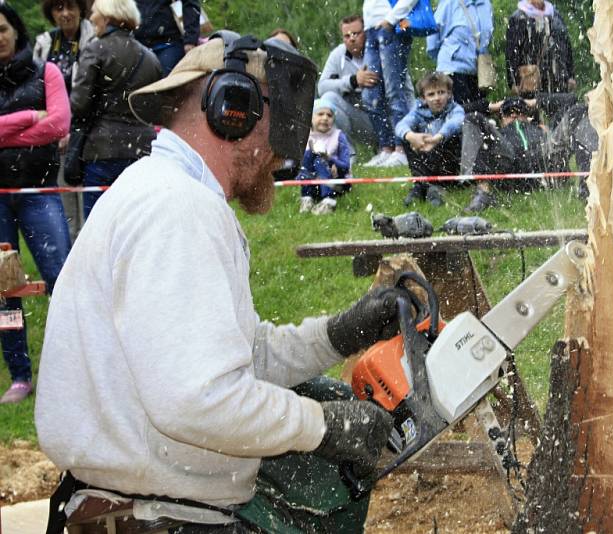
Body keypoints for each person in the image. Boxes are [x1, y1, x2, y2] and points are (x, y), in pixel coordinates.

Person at [36, 35, 401, 533]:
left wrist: (336, 335)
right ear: (234, 108)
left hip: (144, 504)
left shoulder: (163, 192)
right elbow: (201, 400)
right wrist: (321, 426)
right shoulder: (177, 208)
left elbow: (235, 363)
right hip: (154, 518)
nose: (280, 153)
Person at [0, 3, 72, 404]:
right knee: (2, 290)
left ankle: (69, 368)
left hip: (39, 191)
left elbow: (59, 124)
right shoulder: (35, 92)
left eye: (2, 28)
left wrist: (4, 134)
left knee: (60, 280)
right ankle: (20, 375)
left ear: (16, 30)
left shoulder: (48, 72)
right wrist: (29, 117)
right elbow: (44, 123)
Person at [70, 0, 162, 220]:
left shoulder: (95, 49)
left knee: (99, 227)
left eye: (94, 13)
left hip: (102, 151)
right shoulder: (151, 57)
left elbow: (79, 104)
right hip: (143, 151)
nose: (90, 18)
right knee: (137, 226)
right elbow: (157, 108)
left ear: (108, 16)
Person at [34, 0, 95, 241]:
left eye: (71, 7)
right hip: (56, 137)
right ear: (51, 13)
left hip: (88, 135)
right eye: (59, 9)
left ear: (81, 9)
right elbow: (38, 94)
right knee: (66, 207)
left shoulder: (94, 40)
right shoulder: (45, 44)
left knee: (91, 208)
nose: (66, 14)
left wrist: (76, 130)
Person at [319, 13, 411, 163]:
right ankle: (347, 156)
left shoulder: (384, 51)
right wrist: (353, 81)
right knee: (326, 100)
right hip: (363, 121)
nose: (352, 39)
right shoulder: (338, 54)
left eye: (356, 33)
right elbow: (322, 87)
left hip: (392, 120)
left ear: (366, 32)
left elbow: (404, 90)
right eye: (346, 36)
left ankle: (397, 149)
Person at [461, 96, 548, 212]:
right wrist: (491, 107)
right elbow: (462, 111)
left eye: (520, 111)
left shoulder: (539, 130)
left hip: (540, 168)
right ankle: (482, 191)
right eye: (507, 113)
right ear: (501, 119)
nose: (513, 115)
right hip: (509, 164)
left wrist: (535, 102)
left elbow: (571, 99)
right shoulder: (498, 135)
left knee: (576, 112)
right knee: (473, 118)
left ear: (528, 116)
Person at [362, 0, 419, 168]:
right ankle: (386, 148)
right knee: (371, 94)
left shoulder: (391, 21)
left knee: (395, 91)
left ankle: (403, 149)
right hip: (371, 30)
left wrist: (391, 19)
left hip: (391, 27)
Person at [396, 72, 464, 207]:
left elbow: (455, 123)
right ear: (423, 98)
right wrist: (411, 136)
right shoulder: (418, 111)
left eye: (441, 92)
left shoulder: (456, 109)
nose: (437, 98)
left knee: (452, 135)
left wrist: (437, 138)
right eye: (431, 94)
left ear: (449, 94)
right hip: (428, 158)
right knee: (406, 136)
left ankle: (436, 186)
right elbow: (400, 126)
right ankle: (421, 184)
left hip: (451, 165)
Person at [505, 0, 575, 123]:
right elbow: (511, 53)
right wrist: (513, 82)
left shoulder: (555, 15)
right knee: (536, 122)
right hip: (532, 82)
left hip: (558, 79)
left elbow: (566, 46)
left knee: (561, 121)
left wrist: (571, 74)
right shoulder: (518, 17)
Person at [426, 0, 493, 109]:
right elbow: (432, 38)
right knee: (458, 113)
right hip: (452, 68)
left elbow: (486, 36)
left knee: (478, 114)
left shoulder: (485, 4)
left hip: (478, 70)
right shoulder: (449, 2)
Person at [298, 98, 353, 215]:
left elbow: (346, 165)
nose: (325, 118)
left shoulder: (339, 136)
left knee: (319, 160)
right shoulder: (306, 137)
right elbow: (302, 166)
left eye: (329, 115)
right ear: (311, 118)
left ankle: (328, 201)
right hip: (315, 181)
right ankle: (307, 198)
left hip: (337, 181)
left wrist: (329, 159)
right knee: (309, 154)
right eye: (320, 114)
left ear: (333, 119)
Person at [134, 0, 200, 75]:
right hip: (137, 46)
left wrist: (190, 39)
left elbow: (190, 3)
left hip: (168, 43)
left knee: (164, 82)